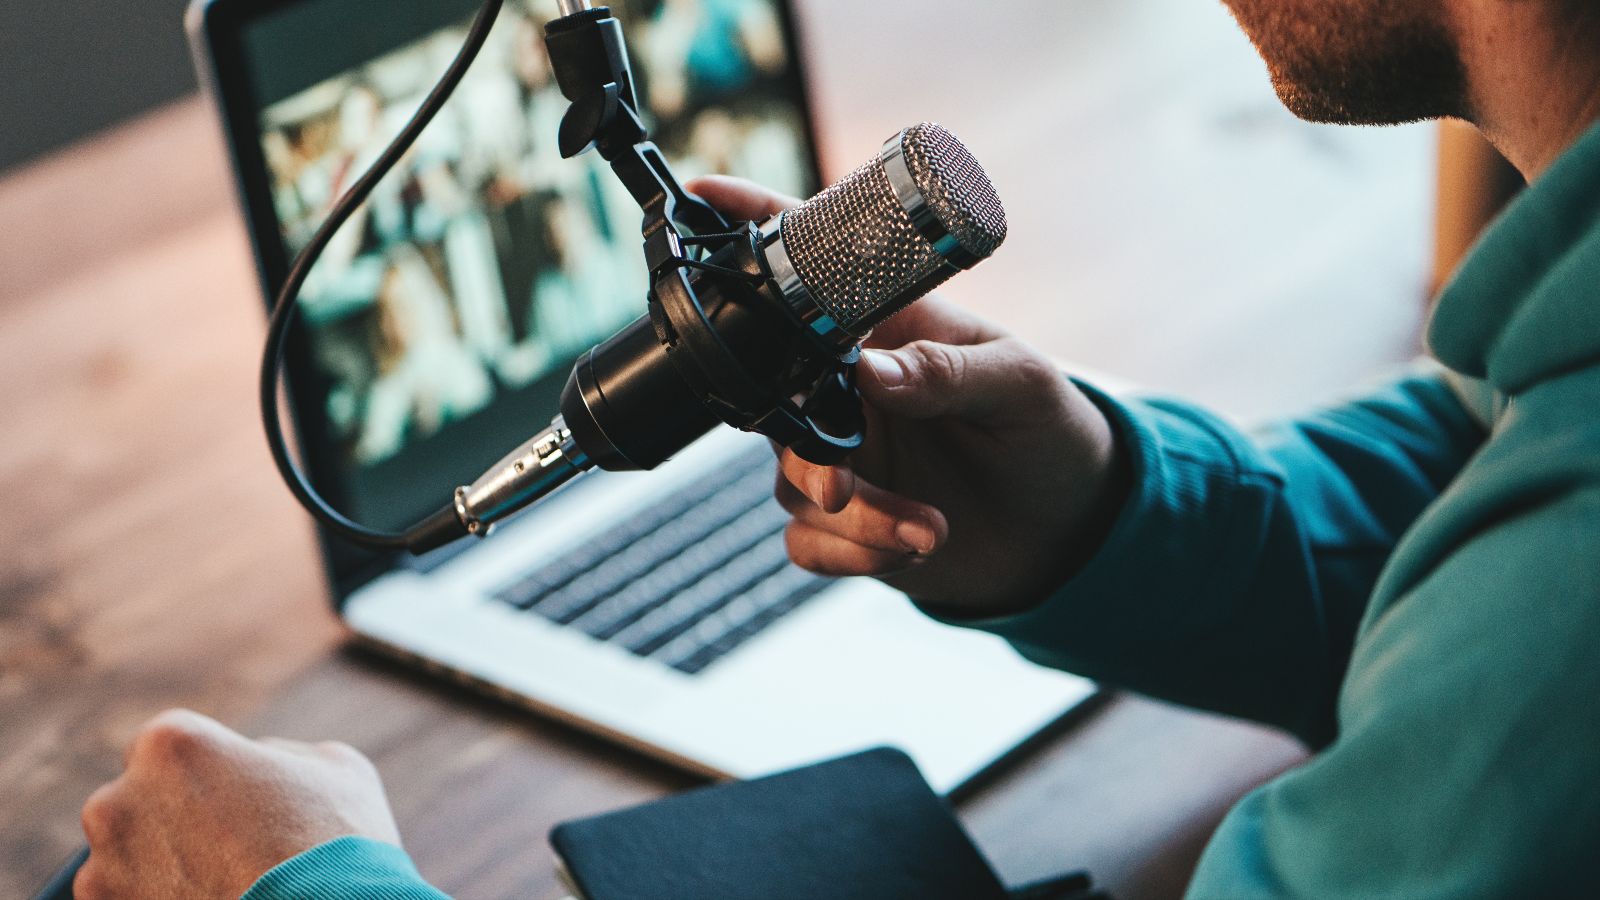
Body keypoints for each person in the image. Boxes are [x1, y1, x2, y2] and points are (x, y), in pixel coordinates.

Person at [74, 0, 1600, 896]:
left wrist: (313, 886)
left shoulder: (1563, 612)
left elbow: (1524, 630)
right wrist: (1112, 516)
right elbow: (1467, 476)